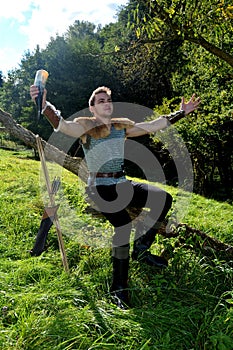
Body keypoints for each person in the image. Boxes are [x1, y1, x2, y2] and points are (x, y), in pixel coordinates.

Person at [30, 84, 200, 309]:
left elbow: (151, 126)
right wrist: (44, 106)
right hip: (99, 188)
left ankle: (141, 249)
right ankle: (118, 289)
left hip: (121, 182)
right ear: (92, 108)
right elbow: (62, 125)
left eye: (108, 100)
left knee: (163, 198)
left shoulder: (121, 126)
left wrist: (181, 113)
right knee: (123, 226)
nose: (106, 103)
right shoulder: (86, 127)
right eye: (100, 101)